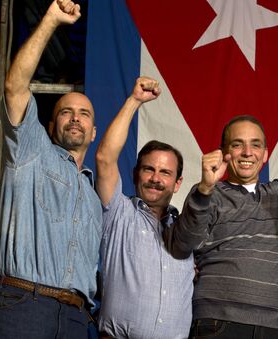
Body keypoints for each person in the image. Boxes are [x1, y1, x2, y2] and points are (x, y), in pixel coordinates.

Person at [0, 0, 102, 337]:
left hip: (77, 318)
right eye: (66, 111)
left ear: (93, 132)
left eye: (84, 113)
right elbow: (15, 87)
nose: (76, 118)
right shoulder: (31, 150)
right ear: (50, 125)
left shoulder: (94, 199)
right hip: (24, 306)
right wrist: (51, 19)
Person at [170, 115, 278, 338]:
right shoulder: (208, 193)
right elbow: (183, 244)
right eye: (237, 145)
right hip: (218, 321)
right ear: (223, 153)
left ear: (265, 154)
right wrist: (206, 187)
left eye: (255, 144)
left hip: (276, 326)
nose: (247, 152)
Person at [95, 76, 194, 338]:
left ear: (177, 183)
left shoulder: (188, 231)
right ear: (136, 173)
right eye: (149, 169)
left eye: (165, 173)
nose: (155, 178)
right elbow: (105, 158)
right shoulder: (118, 213)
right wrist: (134, 101)